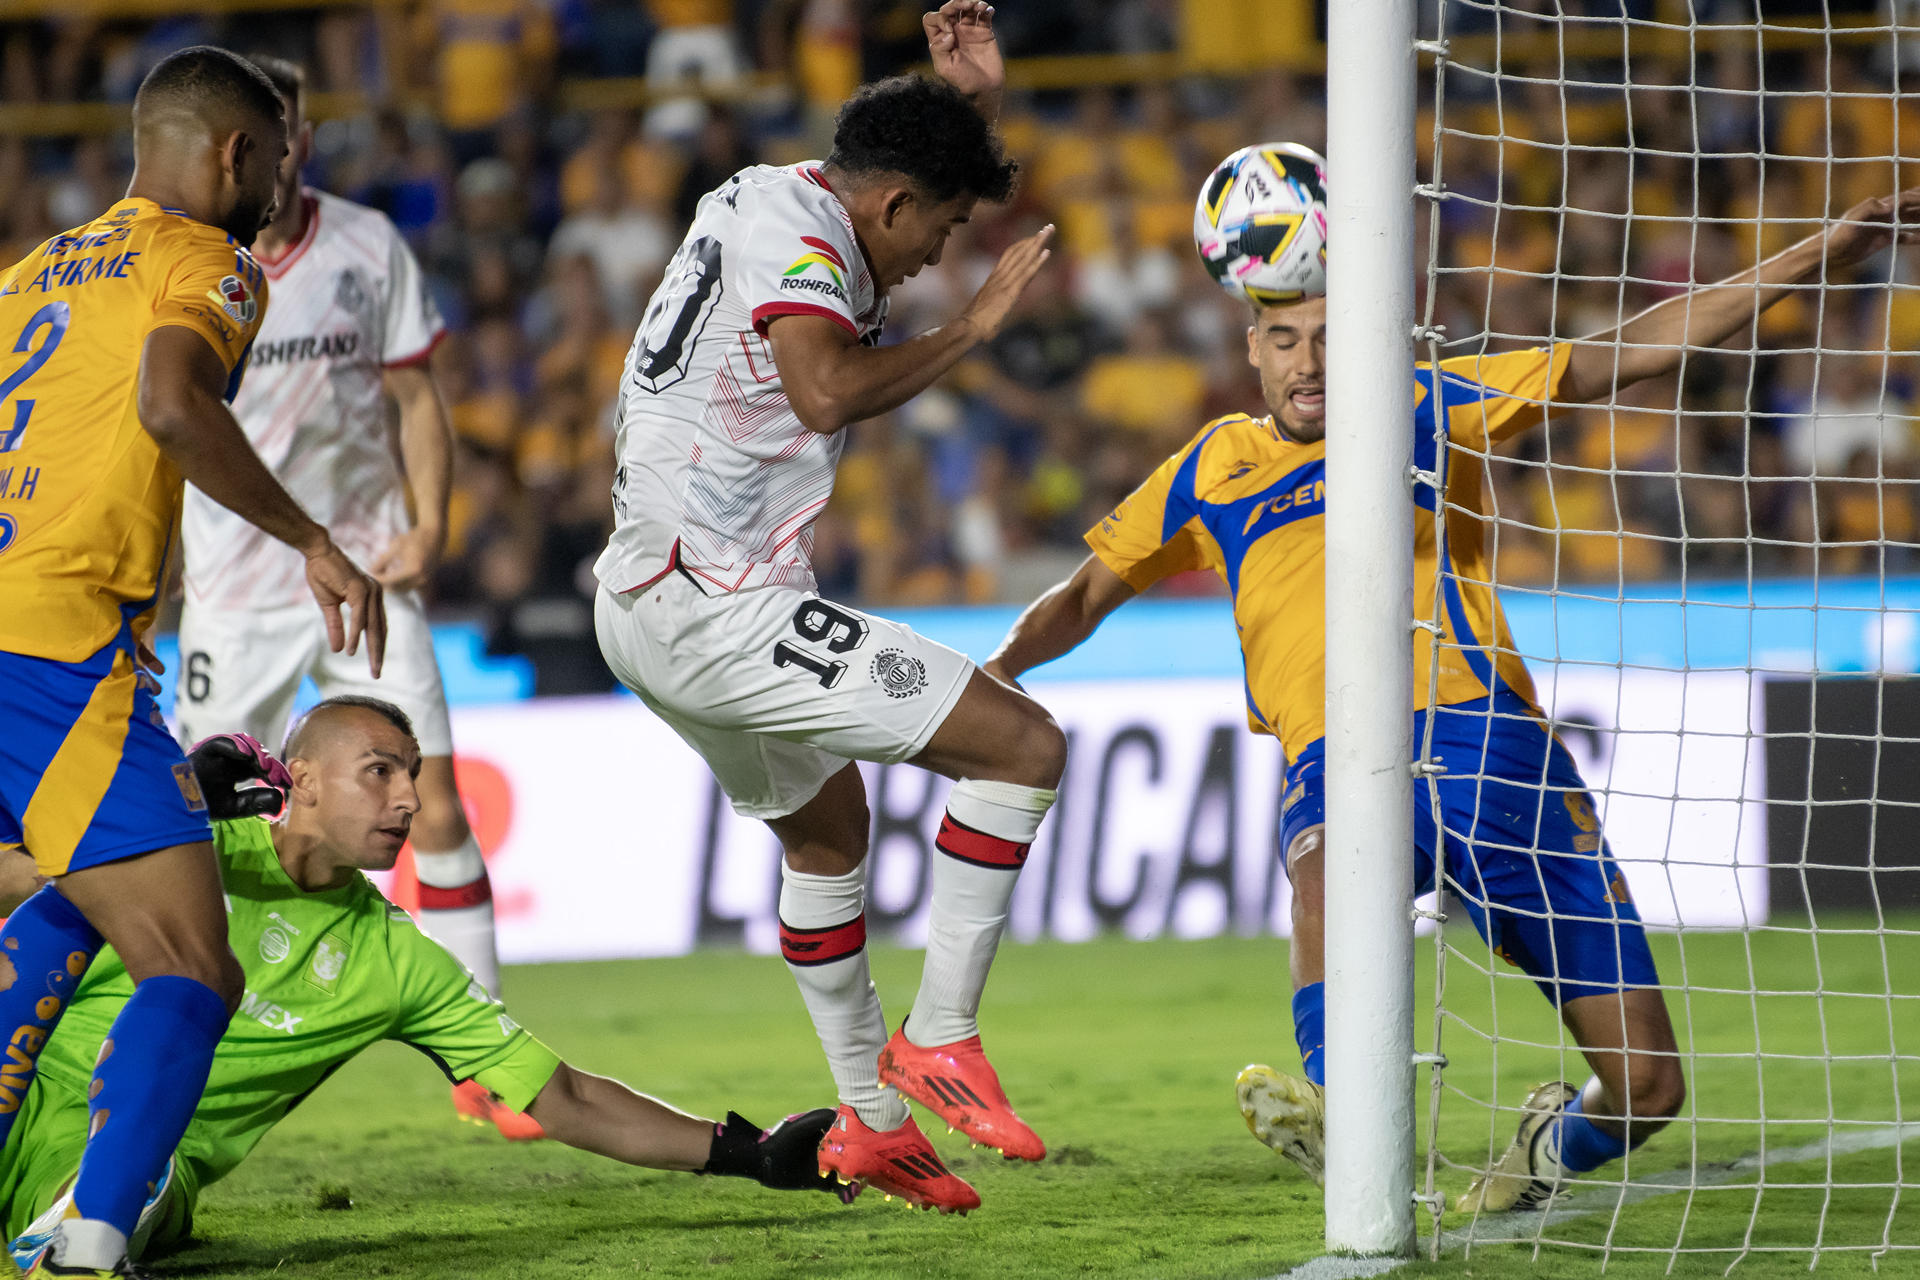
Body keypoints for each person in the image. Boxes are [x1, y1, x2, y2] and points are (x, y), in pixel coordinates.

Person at [984, 178, 1920, 1211]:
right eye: (1285, 340)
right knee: (1327, 867)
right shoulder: (1212, 467)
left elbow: (1629, 352)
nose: (1309, 361)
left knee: (1648, 1087)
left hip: (1496, 747)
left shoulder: (1428, 404)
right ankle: (1340, 1099)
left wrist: (1821, 250)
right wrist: (996, 676)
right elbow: (1083, 595)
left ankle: (1543, 1152)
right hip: (1340, 747)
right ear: (1252, 352)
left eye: (1330, 337)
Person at [591, 0, 1060, 1213]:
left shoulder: (776, 195)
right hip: (713, 604)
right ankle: (940, 1036)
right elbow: (825, 390)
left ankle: (873, 1121)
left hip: (648, 601)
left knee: (828, 835)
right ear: (896, 205)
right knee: (1022, 745)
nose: (939, 256)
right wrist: (972, 327)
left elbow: (895, 171)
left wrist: (964, 105)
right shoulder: (804, 238)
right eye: (942, 229)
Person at [0, 699, 848, 1271]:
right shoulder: (201, 848)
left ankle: (80, 1241)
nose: (409, 799)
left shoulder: (398, 961)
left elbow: (567, 1099)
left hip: (135, 1154)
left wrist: (750, 1154)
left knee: (131, 1182)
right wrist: (167, 822)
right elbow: (17, 887)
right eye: (380, 771)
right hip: (20, 1079)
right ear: (303, 779)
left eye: (412, 774)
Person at [0, 46, 386, 1278]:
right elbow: (175, 405)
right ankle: (95, 1235)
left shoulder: (27, 275)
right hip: (58, 644)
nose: (278, 185)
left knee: (65, 893)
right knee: (188, 958)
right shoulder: (207, 262)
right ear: (236, 151)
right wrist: (312, 537)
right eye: (273, 158)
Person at [169, 55, 526, 1140]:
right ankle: (181, 1033)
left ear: (305, 137)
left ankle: (485, 1055)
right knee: (191, 826)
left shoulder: (369, 247)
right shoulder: (191, 264)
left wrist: (430, 524)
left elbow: (417, 397)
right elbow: (166, 423)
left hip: (364, 575)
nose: (282, 155)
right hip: (235, 594)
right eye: (265, 136)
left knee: (439, 805)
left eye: (294, 131)